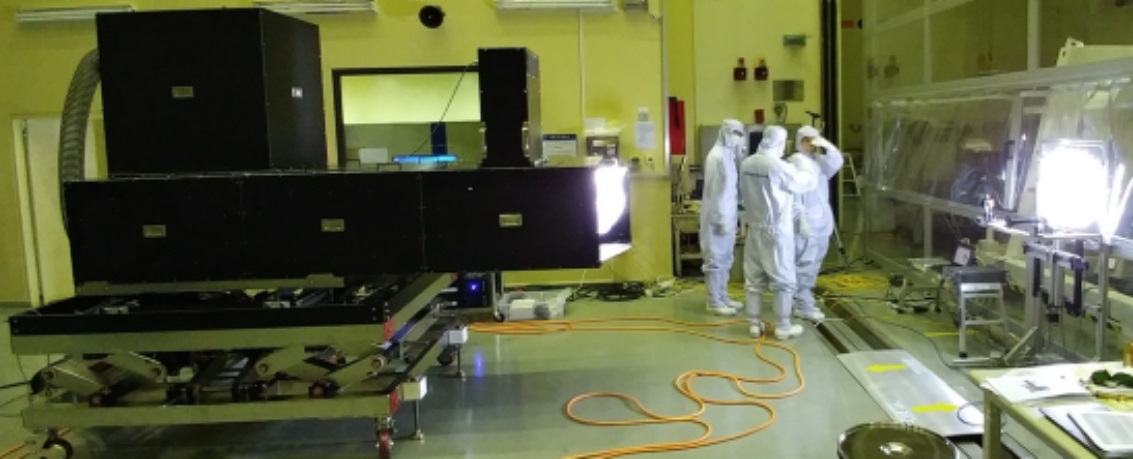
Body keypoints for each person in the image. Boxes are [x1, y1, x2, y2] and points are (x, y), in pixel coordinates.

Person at [739, 125, 818, 339]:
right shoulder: (778, 166)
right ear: (780, 142)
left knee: (754, 280)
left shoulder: (747, 163)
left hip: (754, 229)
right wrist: (806, 166)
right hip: (776, 232)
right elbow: (803, 184)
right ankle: (783, 326)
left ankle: (754, 324)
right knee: (784, 281)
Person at [787, 126, 844, 323]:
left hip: (822, 220)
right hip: (807, 222)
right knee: (805, 263)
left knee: (815, 262)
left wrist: (827, 145)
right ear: (799, 142)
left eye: (813, 141)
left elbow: (837, 161)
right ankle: (801, 304)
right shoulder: (795, 161)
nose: (810, 145)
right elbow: (794, 193)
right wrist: (801, 218)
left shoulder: (819, 162)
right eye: (806, 141)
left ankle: (803, 299)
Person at [700, 120, 747, 316]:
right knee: (715, 259)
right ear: (723, 132)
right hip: (716, 218)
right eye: (733, 132)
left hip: (728, 215)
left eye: (739, 133)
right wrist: (720, 218)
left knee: (726, 258)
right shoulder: (716, 156)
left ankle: (722, 295)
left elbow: (730, 190)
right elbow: (715, 190)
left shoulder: (729, 154)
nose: (736, 137)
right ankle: (714, 301)